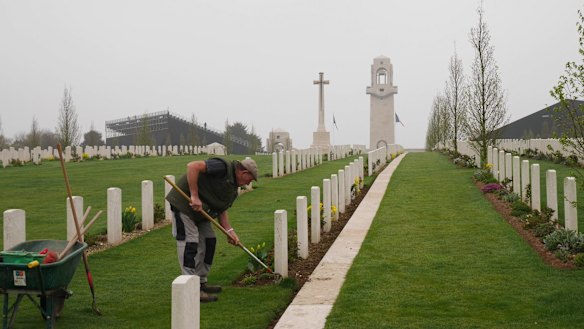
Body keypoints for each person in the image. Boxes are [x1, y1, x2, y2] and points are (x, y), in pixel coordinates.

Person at [165, 157, 258, 302]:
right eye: (250, 179)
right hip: (184, 204)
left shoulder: (232, 188)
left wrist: (229, 231)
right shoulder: (222, 167)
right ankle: (190, 287)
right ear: (244, 172)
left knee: (210, 240)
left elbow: (221, 209)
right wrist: (194, 196)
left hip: (201, 212)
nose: (249, 183)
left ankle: (200, 282)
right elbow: (192, 166)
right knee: (190, 242)